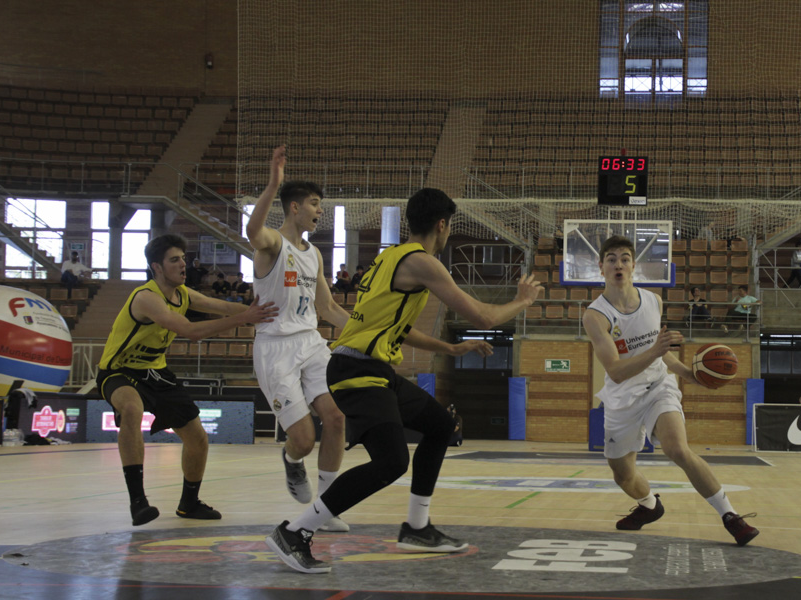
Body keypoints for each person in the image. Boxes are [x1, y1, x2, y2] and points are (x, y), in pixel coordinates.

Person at [267, 187, 539, 574]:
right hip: (357, 370)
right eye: (448, 228)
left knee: (440, 426)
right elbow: (484, 317)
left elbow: (393, 328)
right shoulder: (422, 262)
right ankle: (295, 532)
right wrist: (523, 300)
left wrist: (451, 349)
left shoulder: (388, 258)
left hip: (371, 369)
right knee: (392, 462)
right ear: (442, 226)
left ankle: (417, 527)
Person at [582, 235, 758, 546]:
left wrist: (689, 374)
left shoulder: (653, 300)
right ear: (601, 267)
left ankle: (731, 516)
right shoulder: (596, 316)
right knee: (623, 476)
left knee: (678, 449)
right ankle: (650, 505)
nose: (618, 264)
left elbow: (661, 353)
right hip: (622, 398)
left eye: (625, 258)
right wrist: (655, 350)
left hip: (658, 387)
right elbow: (616, 371)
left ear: (634, 265)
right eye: (611, 259)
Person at [96, 233, 278, 526]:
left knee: (198, 438)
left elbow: (221, 307)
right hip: (119, 371)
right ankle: (138, 502)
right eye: (174, 260)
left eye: (183, 258)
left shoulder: (184, 294)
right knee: (131, 409)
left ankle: (189, 503)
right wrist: (247, 318)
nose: (183, 264)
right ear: (157, 267)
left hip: (156, 372)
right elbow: (190, 331)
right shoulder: (146, 298)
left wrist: (262, 311)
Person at [246, 146, 354, 540]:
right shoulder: (273, 244)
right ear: (294, 207)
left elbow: (327, 306)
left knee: (338, 417)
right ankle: (292, 459)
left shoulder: (315, 255)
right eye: (314, 204)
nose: (319, 211)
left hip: (311, 342)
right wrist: (273, 183)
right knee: (304, 439)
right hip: (276, 347)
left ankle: (326, 508)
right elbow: (253, 232)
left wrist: (365, 330)